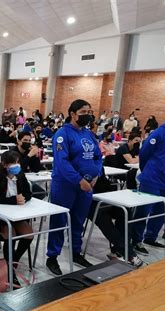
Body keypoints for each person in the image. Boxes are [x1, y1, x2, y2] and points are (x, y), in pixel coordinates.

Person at [46, 99, 103, 275]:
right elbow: (62, 163)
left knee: (79, 220)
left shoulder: (88, 134)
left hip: (87, 185)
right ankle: (52, 257)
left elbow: (98, 156)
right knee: (59, 221)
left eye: (89, 112)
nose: (87, 115)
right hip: (66, 185)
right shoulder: (63, 134)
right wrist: (79, 180)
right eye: (83, 112)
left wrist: (96, 175)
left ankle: (76, 252)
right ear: (72, 114)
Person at [130, 100, 165, 254]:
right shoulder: (160, 132)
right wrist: (147, 170)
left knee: (162, 211)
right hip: (152, 178)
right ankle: (136, 240)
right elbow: (144, 153)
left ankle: (151, 237)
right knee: (143, 211)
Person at [0, 151, 33, 286]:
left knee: (29, 234)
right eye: (12, 163)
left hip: (16, 215)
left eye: (18, 162)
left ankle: (13, 261)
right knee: (11, 234)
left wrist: (24, 198)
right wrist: (14, 200)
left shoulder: (20, 174)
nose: (16, 165)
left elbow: (28, 192)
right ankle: (10, 272)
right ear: (4, 164)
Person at [87, 169, 144, 267]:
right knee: (102, 217)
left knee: (124, 211)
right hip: (87, 201)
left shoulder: (97, 164)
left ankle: (118, 250)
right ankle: (129, 254)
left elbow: (103, 183)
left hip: (103, 197)